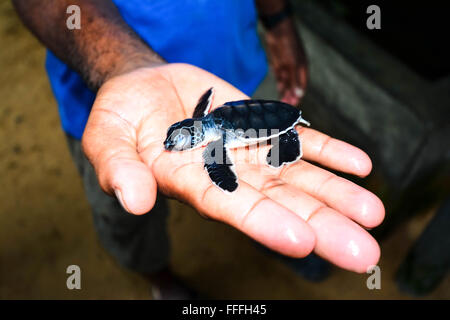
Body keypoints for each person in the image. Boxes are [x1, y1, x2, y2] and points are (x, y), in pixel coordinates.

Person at [13, 0, 385, 299]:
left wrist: (279, 19)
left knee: (272, 181)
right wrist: (124, 64)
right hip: (115, 91)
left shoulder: (211, 133)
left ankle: (280, 242)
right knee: (127, 215)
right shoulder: (203, 123)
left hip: (245, 68)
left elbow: (209, 129)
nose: (184, 142)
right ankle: (158, 274)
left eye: (186, 138)